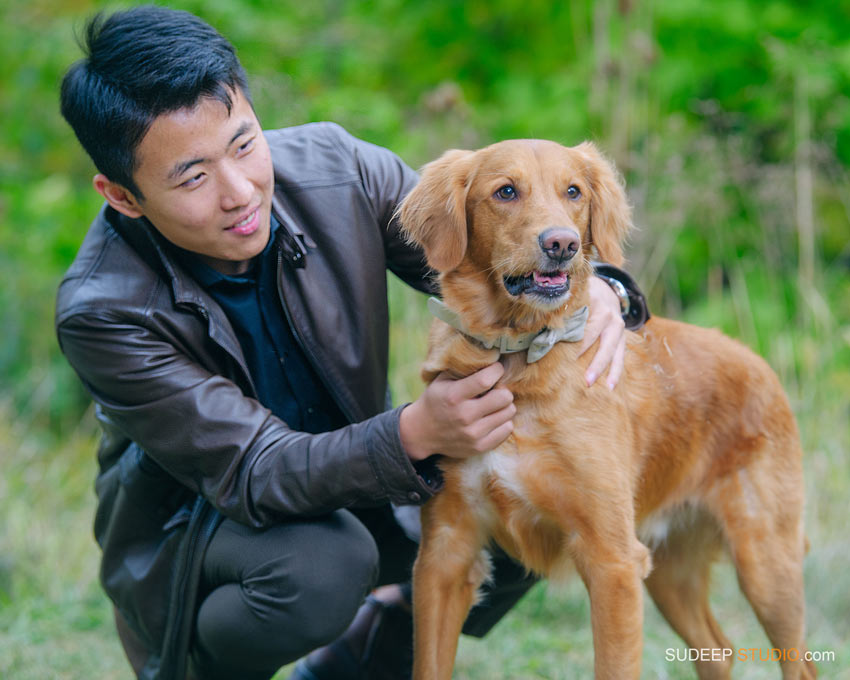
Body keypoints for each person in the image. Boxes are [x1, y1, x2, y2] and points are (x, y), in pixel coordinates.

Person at [56, 6, 649, 680]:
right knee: (321, 565)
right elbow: (256, 472)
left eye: (245, 143)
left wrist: (603, 286)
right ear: (123, 196)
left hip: (363, 485)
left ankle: (362, 663)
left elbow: (486, 248)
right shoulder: (102, 310)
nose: (239, 190)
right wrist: (415, 433)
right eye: (193, 178)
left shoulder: (337, 169)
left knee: (529, 480)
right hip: (205, 539)